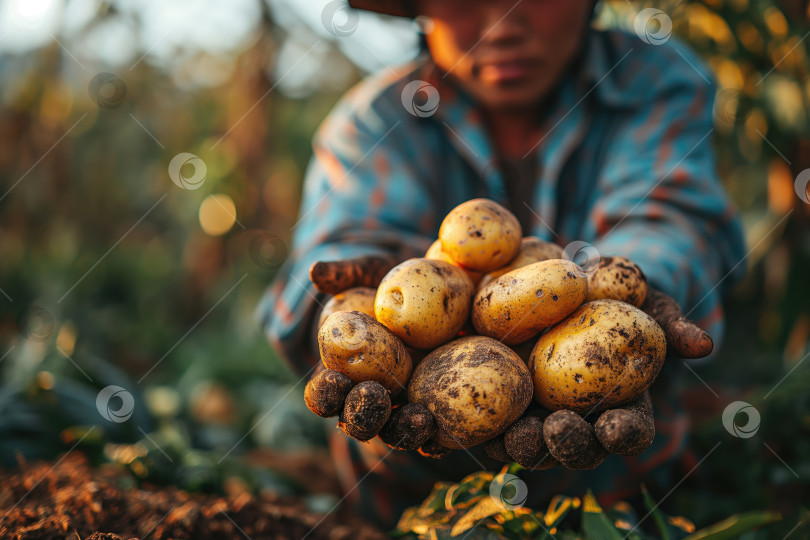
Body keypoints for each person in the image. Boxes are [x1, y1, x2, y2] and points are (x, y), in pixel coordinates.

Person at [257, 0, 747, 529]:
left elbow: (669, 219)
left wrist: (644, 289)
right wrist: (339, 321)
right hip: (405, 500)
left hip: (621, 497)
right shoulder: (374, 118)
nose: (501, 27)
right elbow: (337, 250)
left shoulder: (656, 80)